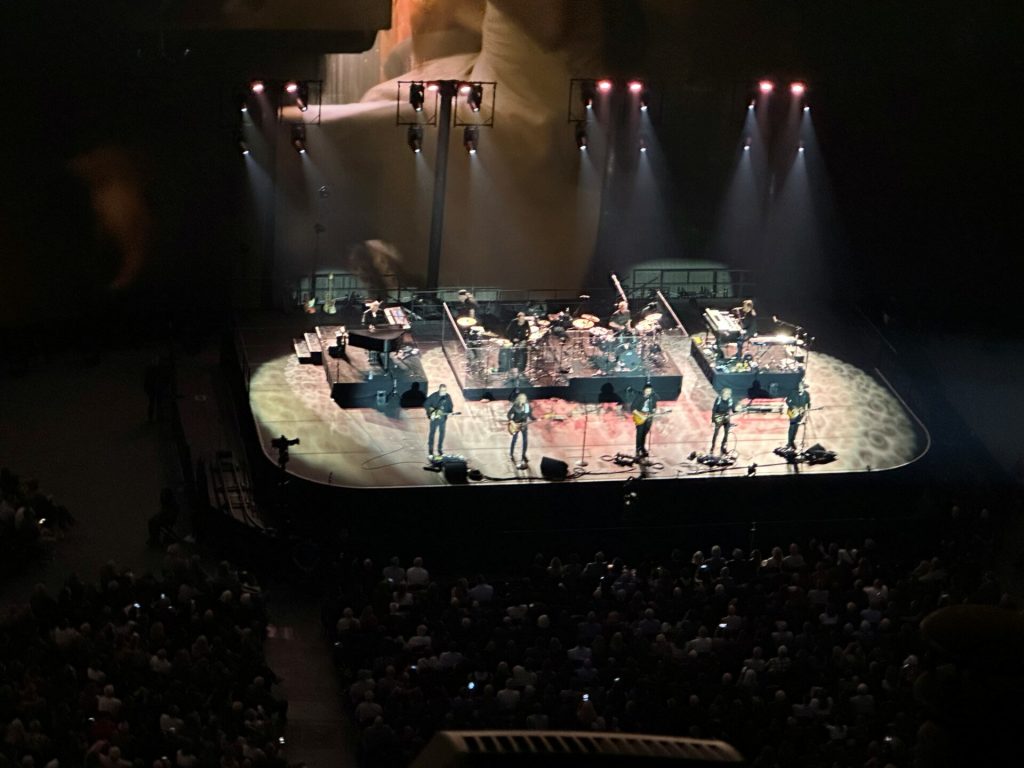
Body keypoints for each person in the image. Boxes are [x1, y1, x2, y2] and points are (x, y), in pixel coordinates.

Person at [424, 384, 454, 459]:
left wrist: (450, 411)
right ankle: (430, 449)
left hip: (442, 419)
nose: (444, 392)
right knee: (432, 433)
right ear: (439, 390)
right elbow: (426, 404)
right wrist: (432, 412)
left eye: (445, 390)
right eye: (442, 390)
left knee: (442, 433)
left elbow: (450, 406)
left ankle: (440, 448)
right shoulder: (434, 396)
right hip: (434, 418)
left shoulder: (447, 397)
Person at [630, 383, 658, 458]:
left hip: (648, 417)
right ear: (644, 390)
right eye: (647, 391)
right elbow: (633, 408)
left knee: (644, 433)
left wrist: (653, 411)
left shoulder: (652, 397)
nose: (648, 392)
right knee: (640, 434)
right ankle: (638, 449)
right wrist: (641, 416)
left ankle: (642, 448)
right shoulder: (639, 397)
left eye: (650, 391)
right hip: (640, 417)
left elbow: (654, 407)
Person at [507, 392, 534, 466]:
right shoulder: (515, 406)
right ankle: (511, 454)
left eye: (524, 399)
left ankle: (523, 455)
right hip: (515, 425)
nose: (523, 400)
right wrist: (511, 421)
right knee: (514, 440)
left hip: (524, 425)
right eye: (522, 399)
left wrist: (536, 418)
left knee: (525, 441)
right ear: (519, 399)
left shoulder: (527, 406)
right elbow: (509, 414)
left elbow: (530, 416)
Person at [785, 380, 811, 449]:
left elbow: (808, 403)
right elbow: (787, 401)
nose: (799, 388)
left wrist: (807, 411)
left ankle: (792, 441)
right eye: (799, 387)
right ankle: (789, 443)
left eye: (801, 387)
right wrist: (792, 407)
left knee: (796, 427)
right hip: (792, 412)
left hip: (800, 413)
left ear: (804, 387)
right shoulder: (793, 392)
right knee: (792, 427)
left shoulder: (806, 394)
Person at [710, 387, 737, 454]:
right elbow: (714, 410)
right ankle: (712, 448)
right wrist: (713, 421)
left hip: (726, 417)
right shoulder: (718, 399)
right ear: (722, 393)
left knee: (726, 434)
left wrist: (738, 409)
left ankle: (723, 448)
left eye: (729, 394)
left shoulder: (730, 400)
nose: (727, 395)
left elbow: (733, 410)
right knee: (716, 433)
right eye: (726, 393)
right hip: (718, 417)